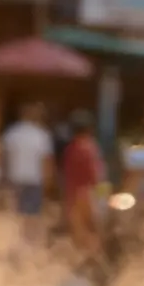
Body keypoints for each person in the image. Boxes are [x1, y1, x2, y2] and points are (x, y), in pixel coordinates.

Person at [61, 109, 106, 264]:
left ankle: (78, 268)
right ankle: (93, 266)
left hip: (72, 196)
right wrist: (104, 199)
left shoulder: (70, 149)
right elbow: (97, 176)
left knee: (77, 235)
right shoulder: (90, 148)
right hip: (88, 195)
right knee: (93, 233)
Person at [1, 102, 55, 221]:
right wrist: (48, 182)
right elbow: (46, 161)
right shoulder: (42, 135)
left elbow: (4, 159)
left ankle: (14, 238)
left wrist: (4, 179)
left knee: (14, 216)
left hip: (14, 180)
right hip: (34, 182)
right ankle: (29, 239)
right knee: (32, 218)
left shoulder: (11, 134)